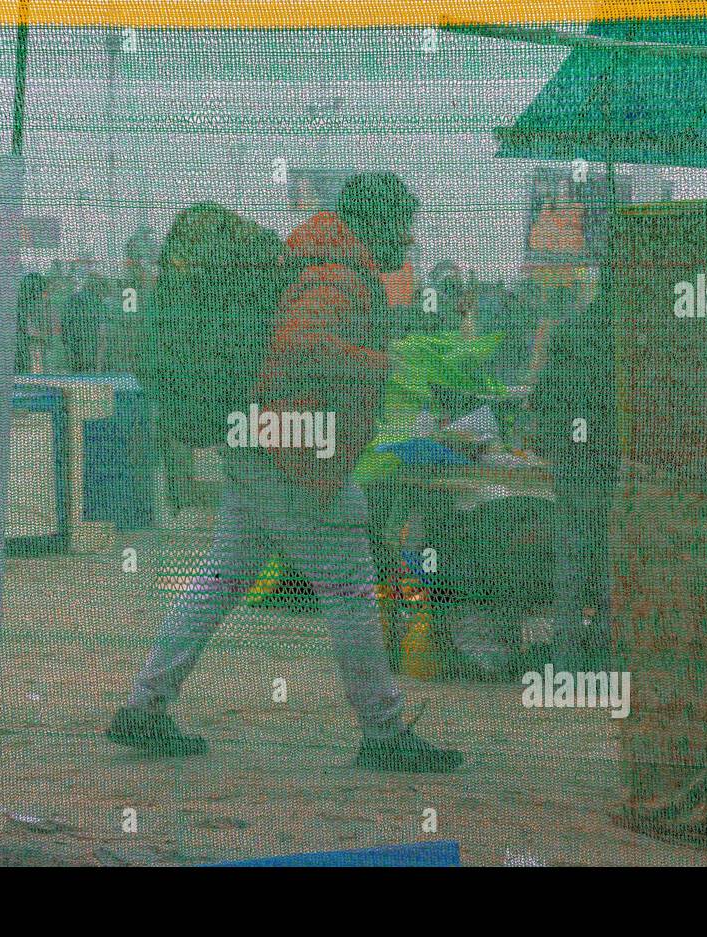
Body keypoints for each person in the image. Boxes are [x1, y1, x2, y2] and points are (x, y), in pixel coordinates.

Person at [109, 174, 463, 772]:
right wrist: (382, 363)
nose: (408, 238)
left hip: (262, 445)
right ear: (376, 222)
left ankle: (144, 707)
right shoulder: (336, 275)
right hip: (294, 454)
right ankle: (383, 731)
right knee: (351, 586)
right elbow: (301, 352)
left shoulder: (312, 259)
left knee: (220, 580)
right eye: (403, 224)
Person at [528, 281, 618, 671]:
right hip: (617, 462)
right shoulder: (634, 334)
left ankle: (566, 658)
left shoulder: (570, 329)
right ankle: (606, 656)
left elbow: (543, 395)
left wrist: (551, 440)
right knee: (612, 555)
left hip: (574, 460)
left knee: (572, 555)